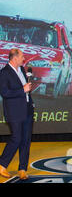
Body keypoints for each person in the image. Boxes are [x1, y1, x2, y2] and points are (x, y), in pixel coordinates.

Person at [0, 48, 34, 180]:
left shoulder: (22, 70)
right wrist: (22, 89)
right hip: (14, 111)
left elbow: (26, 91)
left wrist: (30, 102)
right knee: (16, 138)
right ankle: (2, 164)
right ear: (14, 58)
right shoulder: (4, 73)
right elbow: (5, 93)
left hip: (27, 109)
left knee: (26, 139)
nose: (24, 59)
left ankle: (22, 169)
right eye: (22, 57)